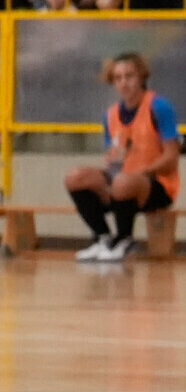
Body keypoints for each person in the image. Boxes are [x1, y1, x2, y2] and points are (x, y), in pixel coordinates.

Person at [64, 52, 180, 263]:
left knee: (122, 181)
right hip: (122, 181)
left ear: (141, 77)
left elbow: (171, 159)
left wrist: (139, 173)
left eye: (129, 76)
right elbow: (115, 157)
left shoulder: (158, 106)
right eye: (118, 78)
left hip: (157, 184)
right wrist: (110, 175)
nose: (124, 83)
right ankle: (103, 237)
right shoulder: (111, 114)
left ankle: (125, 239)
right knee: (76, 177)